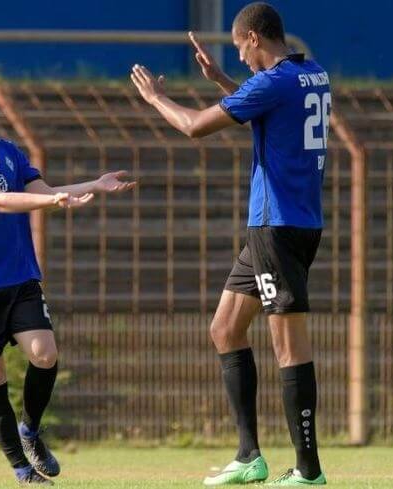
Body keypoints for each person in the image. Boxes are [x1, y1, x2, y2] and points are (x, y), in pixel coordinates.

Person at [130, 2, 329, 486]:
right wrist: (221, 78)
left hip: (275, 228)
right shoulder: (312, 73)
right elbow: (267, 107)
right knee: (224, 329)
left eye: (240, 47)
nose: (240, 56)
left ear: (255, 38)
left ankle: (308, 470)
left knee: (289, 345)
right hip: (290, 224)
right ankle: (249, 456)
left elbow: (194, 127)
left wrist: (156, 98)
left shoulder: (271, 83)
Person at [0, 64, 135, 485]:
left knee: (45, 353)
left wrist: (92, 185)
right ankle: (22, 469)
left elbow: (42, 192)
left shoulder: (8, 149)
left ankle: (30, 430)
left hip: (19, 275)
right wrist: (55, 201)